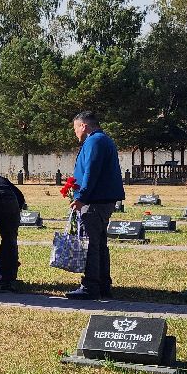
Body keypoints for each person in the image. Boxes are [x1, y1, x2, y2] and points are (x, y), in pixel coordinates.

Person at [66, 111, 125, 301]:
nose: (75, 133)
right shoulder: (102, 139)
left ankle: (90, 286)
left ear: (83, 126)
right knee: (99, 243)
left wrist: (82, 196)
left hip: (94, 201)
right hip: (100, 200)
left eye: (75, 128)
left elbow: (92, 171)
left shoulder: (95, 141)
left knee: (90, 244)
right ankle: (102, 284)